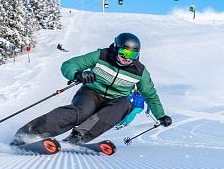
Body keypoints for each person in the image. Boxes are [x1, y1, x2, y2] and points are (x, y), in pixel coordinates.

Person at [12, 32, 172, 145]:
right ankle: (30, 133)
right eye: (124, 52)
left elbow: (150, 95)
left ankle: (78, 137)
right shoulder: (101, 55)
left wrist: (161, 115)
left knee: (125, 105)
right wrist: (77, 74)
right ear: (116, 48)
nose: (126, 59)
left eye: (132, 55)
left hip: (116, 101)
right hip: (91, 93)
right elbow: (69, 65)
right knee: (81, 112)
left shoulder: (140, 72)